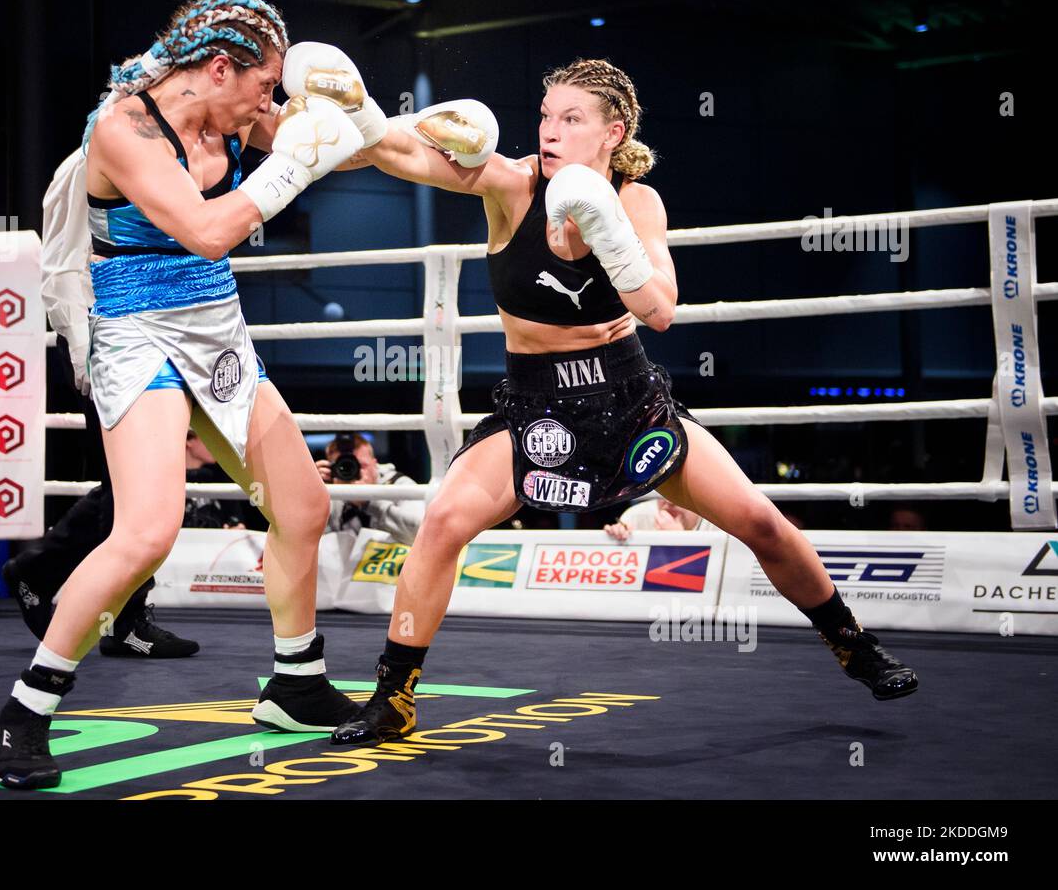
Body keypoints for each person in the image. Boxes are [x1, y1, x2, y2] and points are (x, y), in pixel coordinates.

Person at [330, 57, 919, 746]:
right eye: (545, 116)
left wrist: (602, 222)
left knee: (760, 521)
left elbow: (661, 309)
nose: (549, 131)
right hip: (535, 404)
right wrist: (349, 113)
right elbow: (400, 153)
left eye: (570, 119)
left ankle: (854, 645)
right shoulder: (512, 185)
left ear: (613, 132)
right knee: (441, 525)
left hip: (629, 397)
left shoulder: (639, 202)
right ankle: (393, 697)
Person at [0, 0, 378, 789]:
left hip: (217, 324)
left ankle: (296, 683)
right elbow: (206, 230)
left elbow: (346, 148)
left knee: (301, 505)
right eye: (263, 88)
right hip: (136, 330)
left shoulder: (235, 110)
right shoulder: (123, 129)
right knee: (147, 531)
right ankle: (23, 712)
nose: (269, 105)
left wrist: (398, 131)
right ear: (219, 66)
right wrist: (299, 159)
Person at [2, 415, 242, 655]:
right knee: (130, 484)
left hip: (135, 384)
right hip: (120, 384)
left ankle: (38, 573)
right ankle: (124, 623)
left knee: (129, 483)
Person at [316, 433, 424, 544]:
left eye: (361, 465)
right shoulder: (332, 490)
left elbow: (421, 534)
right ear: (332, 469)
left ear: (375, 464)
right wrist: (313, 493)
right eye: (344, 466)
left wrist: (370, 501)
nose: (354, 471)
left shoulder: (399, 485)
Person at [603, 497, 712, 540]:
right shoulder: (636, 515)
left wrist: (680, 539)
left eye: (680, 495)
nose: (669, 502)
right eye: (665, 494)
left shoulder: (716, 523)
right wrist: (617, 535)